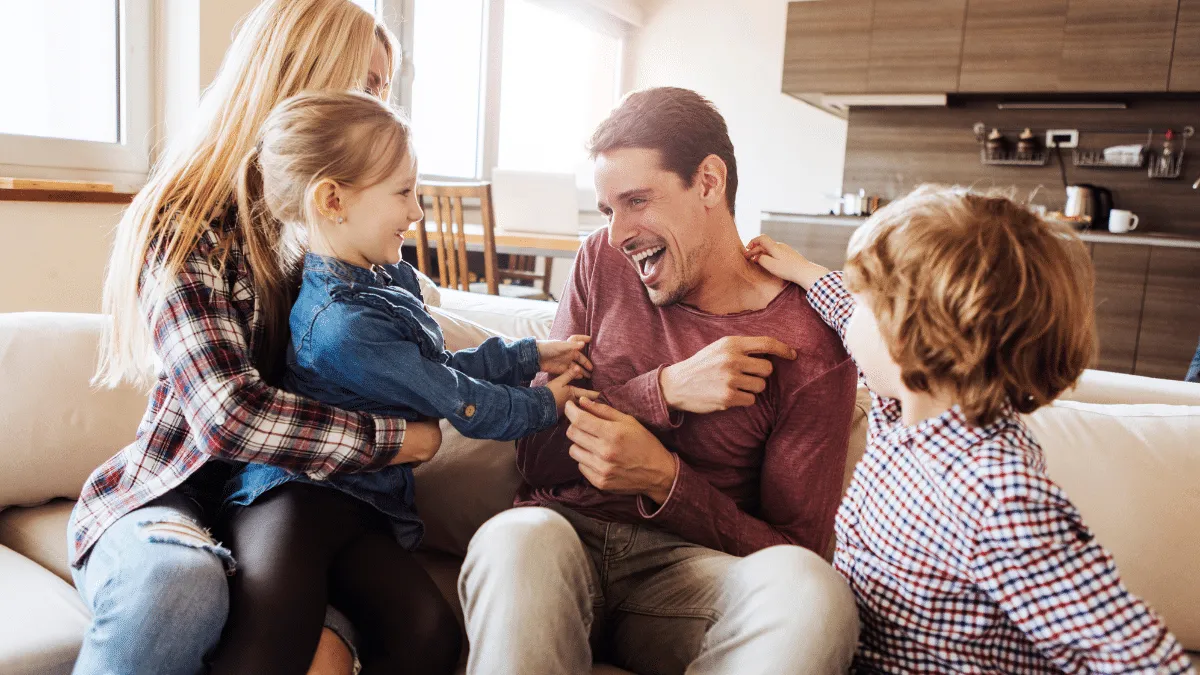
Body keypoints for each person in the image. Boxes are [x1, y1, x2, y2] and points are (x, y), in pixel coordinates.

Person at [458, 87, 861, 675]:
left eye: (638, 200)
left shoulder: (807, 343)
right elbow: (535, 456)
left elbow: (794, 553)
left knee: (813, 594)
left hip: (691, 578)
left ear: (708, 182)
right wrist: (662, 390)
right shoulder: (601, 261)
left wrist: (665, 480)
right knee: (514, 539)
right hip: (559, 543)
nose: (619, 232)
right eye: (607, 210)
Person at [67, 2, 419, 673]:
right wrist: (399, 439)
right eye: (367, 85)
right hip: (176, 486)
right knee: (177, 585)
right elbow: (227, 414)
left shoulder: (349, 238)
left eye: (385, 90)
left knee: (331, 647)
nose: (382, 112)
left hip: (292, 509)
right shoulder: (187, 220)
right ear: (305, 74)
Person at [212, 90, 597, 673]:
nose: (417, 211)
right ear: (333, 200)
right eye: (403, 192)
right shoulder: (342, 325)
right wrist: (546, 403)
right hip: (293, 497)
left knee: (428, 631)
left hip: (362, 506)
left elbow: (437, 370)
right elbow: (462, 403)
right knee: (270, 639)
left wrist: (528, 354)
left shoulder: (387, 281)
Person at [745, 185, 1193, 673]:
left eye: (868, 301)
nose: (853, 313)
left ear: (915, 337)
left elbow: (1139, 658)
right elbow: (850, 316)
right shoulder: (902, 413)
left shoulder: (997, 494)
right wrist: (802, 271)